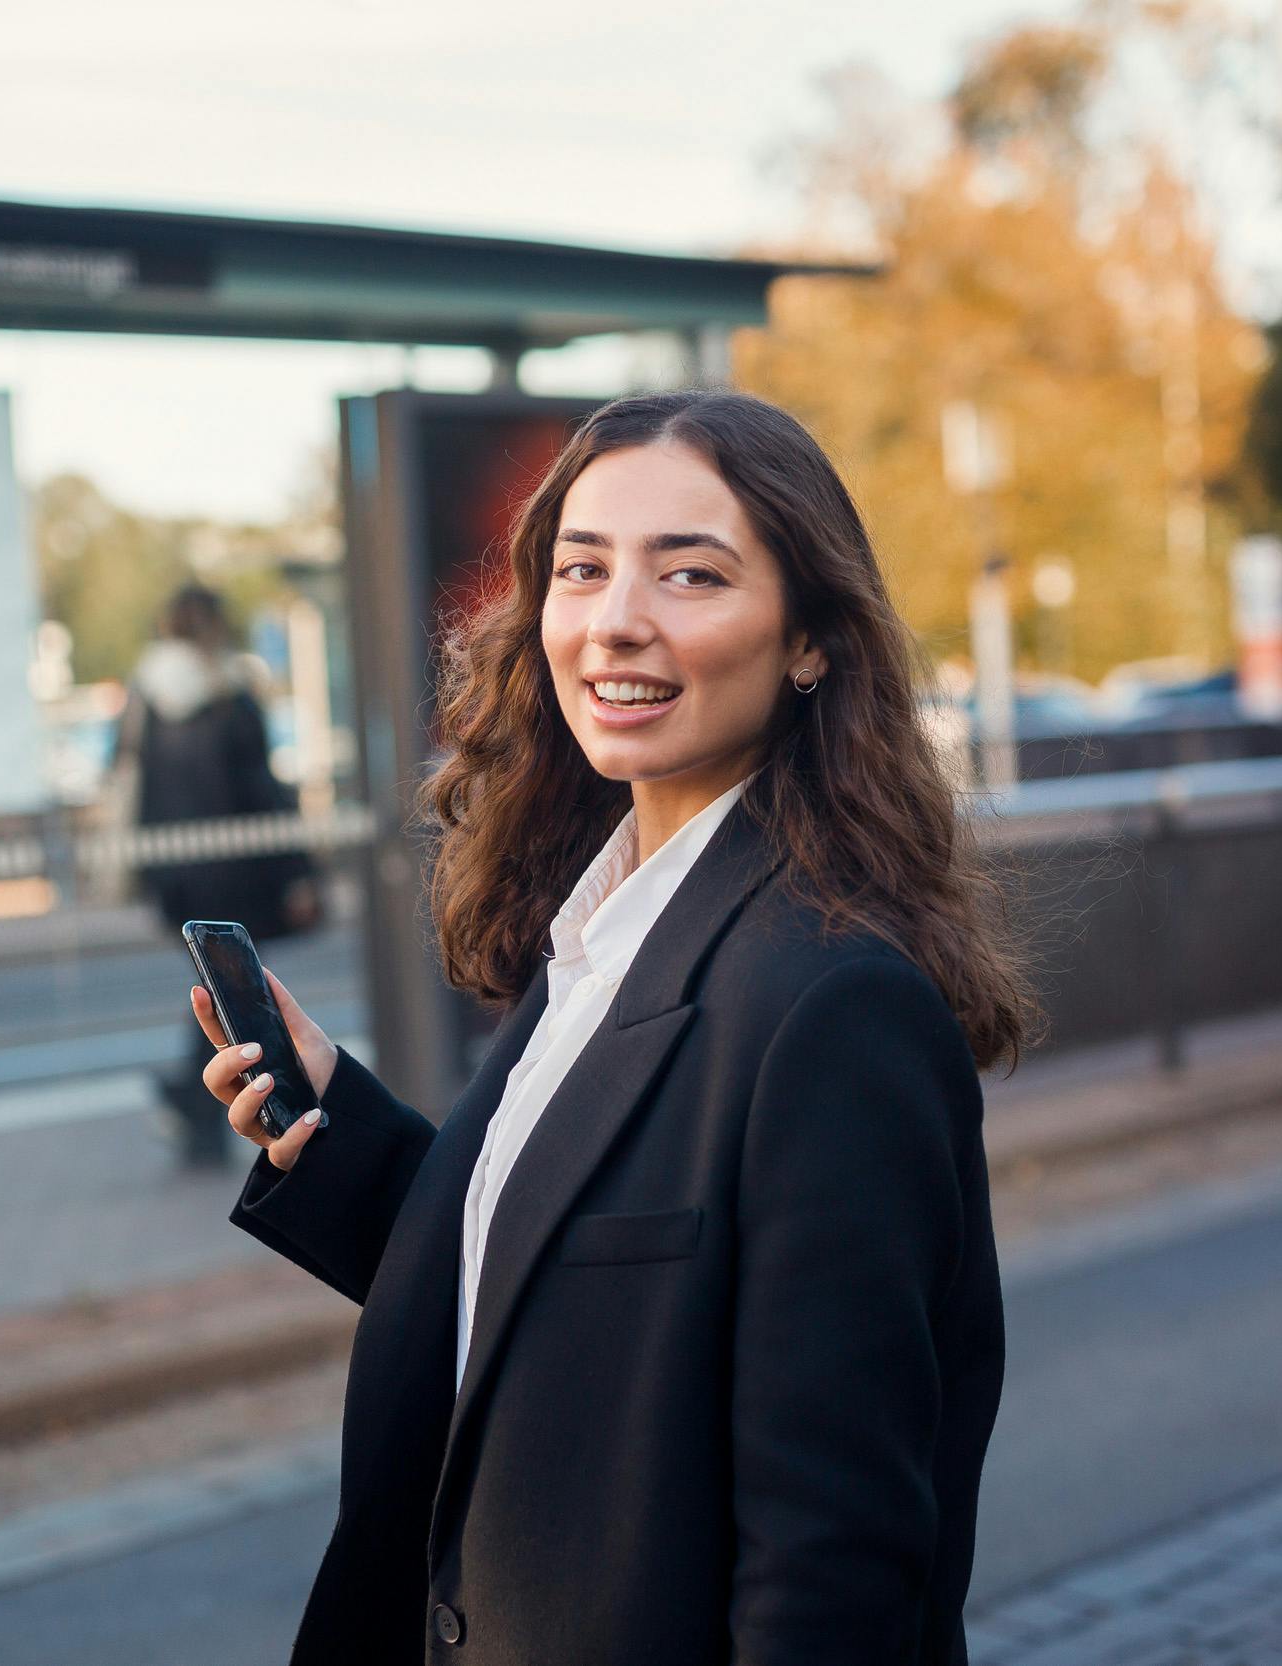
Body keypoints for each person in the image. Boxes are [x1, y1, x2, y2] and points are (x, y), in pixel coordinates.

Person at [192, 390, 1034, 1664]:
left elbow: (835, 1570)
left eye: (690, 573)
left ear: (809, 638)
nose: (615, 621)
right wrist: (341, 1134)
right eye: (581, 569)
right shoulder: (603, 932)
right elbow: (577, 1297)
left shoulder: (836, 1006)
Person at [117, 584, 320, 1170]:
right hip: (239, 869)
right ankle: (217, 1102)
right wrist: (296, 871)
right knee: (237, 991)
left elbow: (139, 786)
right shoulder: (231, 693)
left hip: (178, 870)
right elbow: (262, 789)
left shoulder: (147, 696)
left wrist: (151, 872)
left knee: (218, 991)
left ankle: (195, 1101)